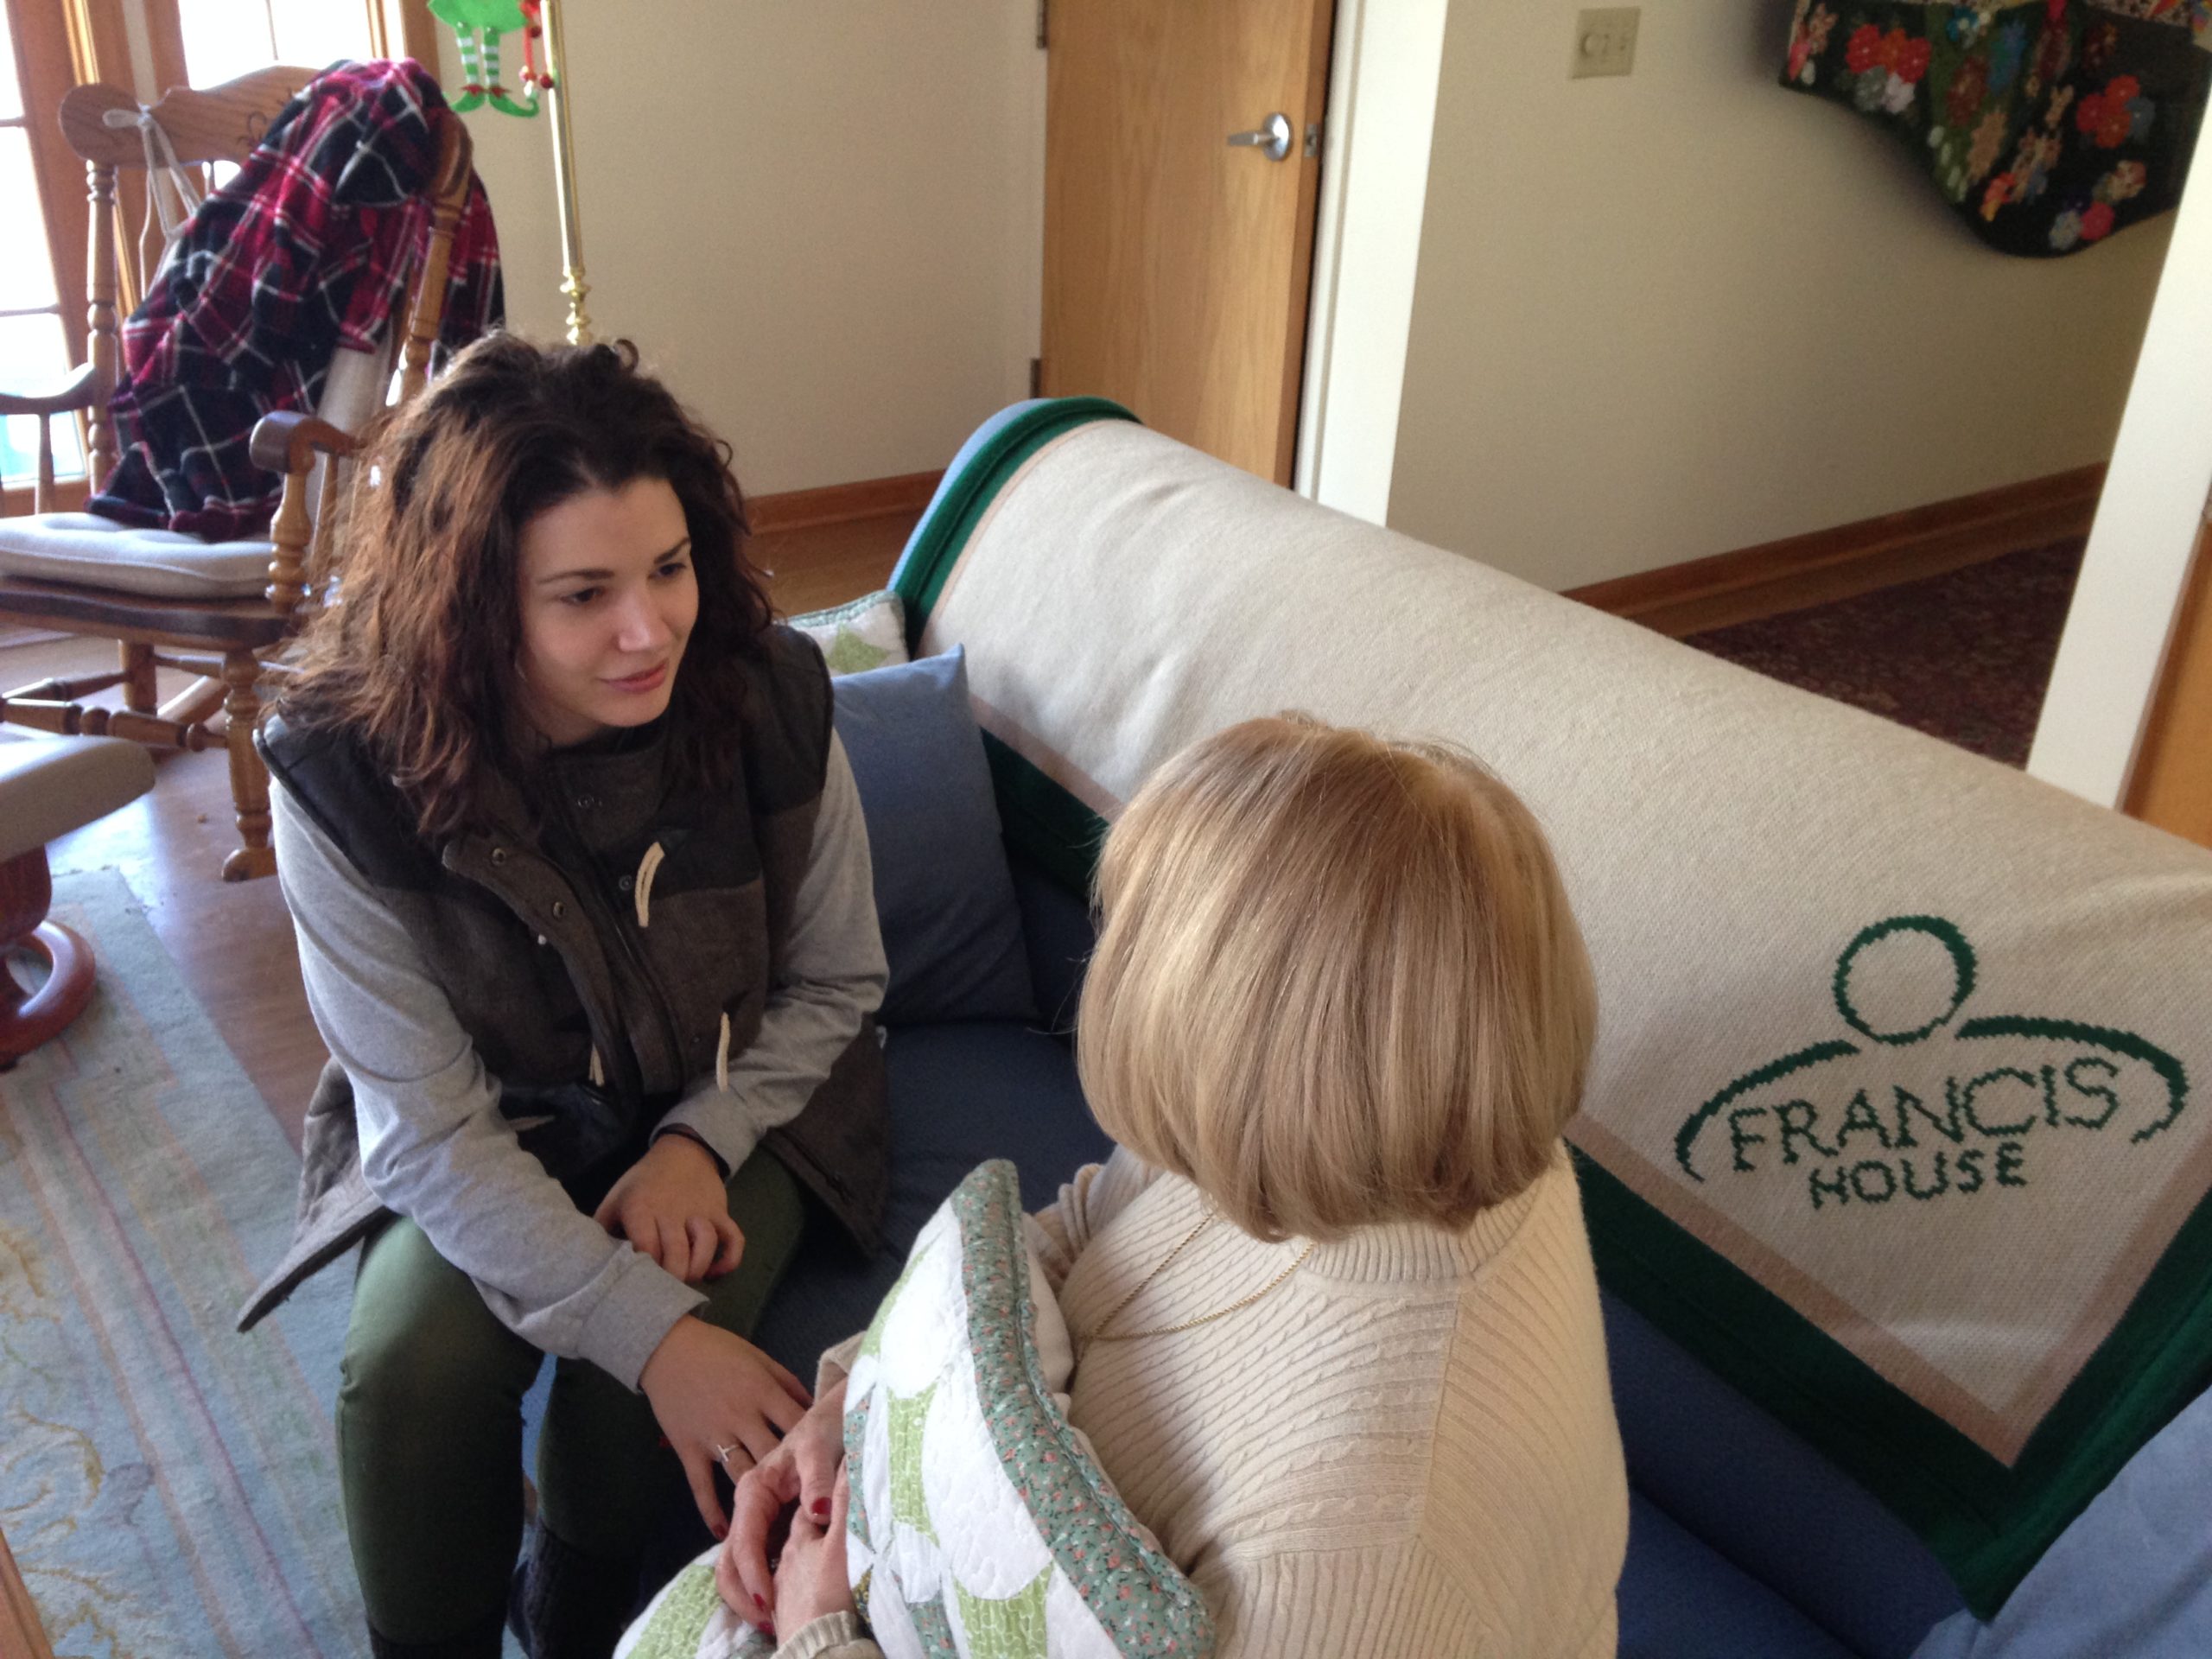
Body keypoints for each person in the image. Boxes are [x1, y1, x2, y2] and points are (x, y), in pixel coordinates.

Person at [232, 335, 892, 1659]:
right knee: (408, 1374)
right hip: (490, 1121)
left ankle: (583, 1621)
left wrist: (699, 1141)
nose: (648, 629)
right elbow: (425, 1131)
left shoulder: (768, 695)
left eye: (669, 569)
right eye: (583, 595)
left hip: (744, 1094)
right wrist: (650, 1337)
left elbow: (840, 981)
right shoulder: (341, 774)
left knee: (617, 1417)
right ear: (473, 609)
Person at [721, 715, 1630, 1658]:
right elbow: (1081, 1232)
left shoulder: (1365, 1556)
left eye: (1133, 937)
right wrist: (857, 1412)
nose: (1112, 961)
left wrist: (818, 1635)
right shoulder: (1364, 1121)